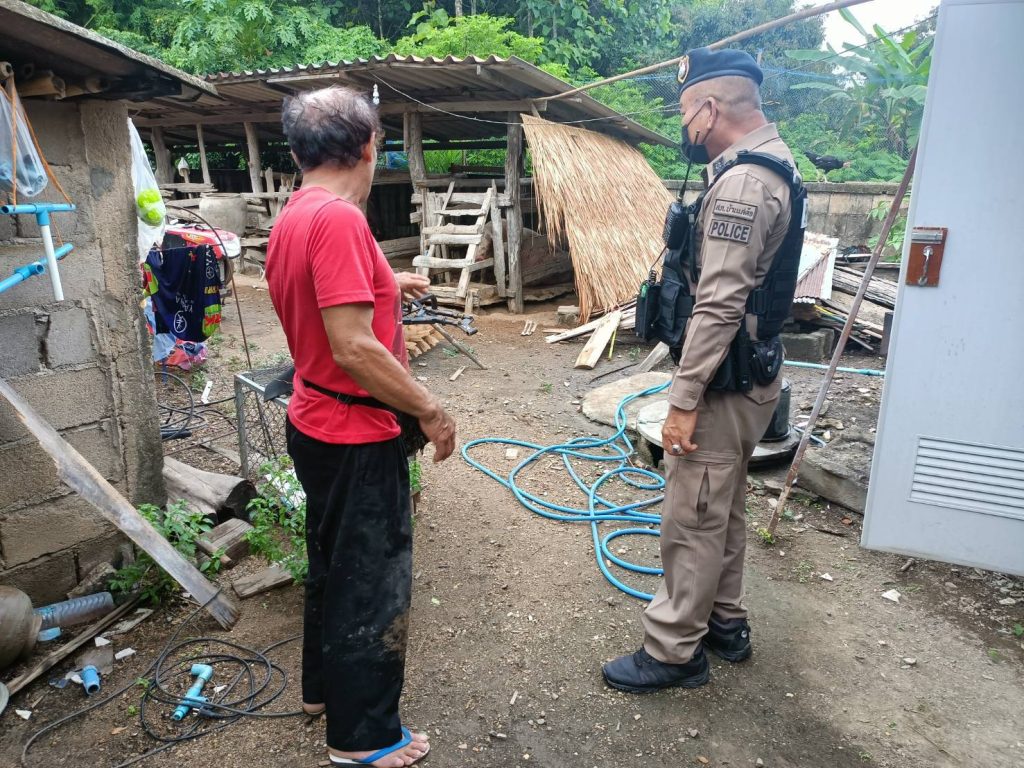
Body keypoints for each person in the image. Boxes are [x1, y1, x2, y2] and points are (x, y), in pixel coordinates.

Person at [604, 47, 806, 693]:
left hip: (724, 381)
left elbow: (720, 303)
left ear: (710, 108)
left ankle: (673, 651)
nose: (684, 126)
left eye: (686, 112)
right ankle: (724, 620)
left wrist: (683, 400)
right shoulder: (770, 163)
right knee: (723, 503)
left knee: (692, 513)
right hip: (750, 374)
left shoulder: (743, 183)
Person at [266, 85, 456, 766]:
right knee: (370, 583)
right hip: (355, 433)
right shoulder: (341, 221)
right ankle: (363, 739)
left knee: (332, 563)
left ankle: (322, 691)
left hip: (313, 420)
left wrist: (385, 282)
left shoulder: (298, 212)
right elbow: (352, 346)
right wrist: (429, 408)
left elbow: (320, 296)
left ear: (297, 152)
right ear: (371, 145)